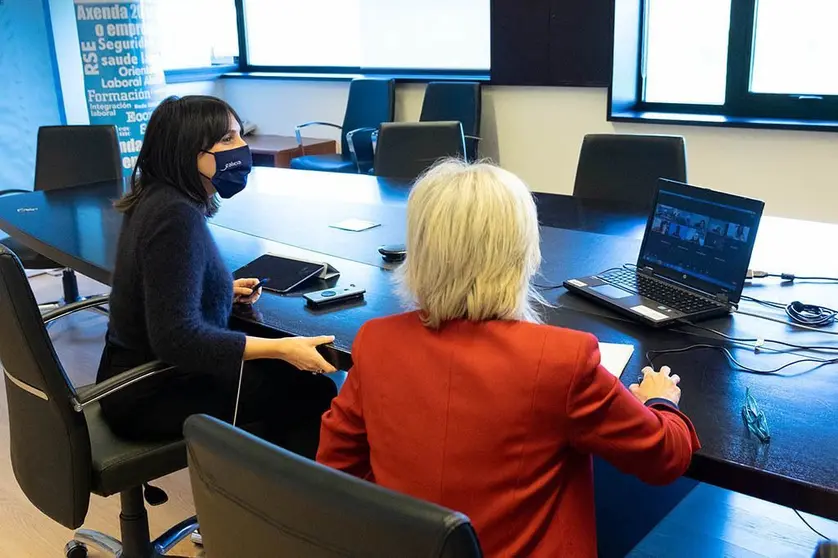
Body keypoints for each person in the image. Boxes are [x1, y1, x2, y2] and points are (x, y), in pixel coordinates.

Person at [317, 160, 700, 557]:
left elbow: (335, 466)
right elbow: (664, 457)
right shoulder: (561, 360)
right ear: (521, 252)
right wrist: (659, 401)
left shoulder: (376, 342)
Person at [97, 95, 337, 457]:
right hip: (149, 391)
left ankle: (266, 486)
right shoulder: (174, 217)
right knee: (309, 388)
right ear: (186, 151)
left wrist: (217, 290)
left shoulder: (158, 197)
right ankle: (288, 503)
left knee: (284, 378)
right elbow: (177, 339)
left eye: (240, 136)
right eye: (227, 140)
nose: (242, 148)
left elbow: (162, 284)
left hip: (130, 377)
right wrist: (281, 348)